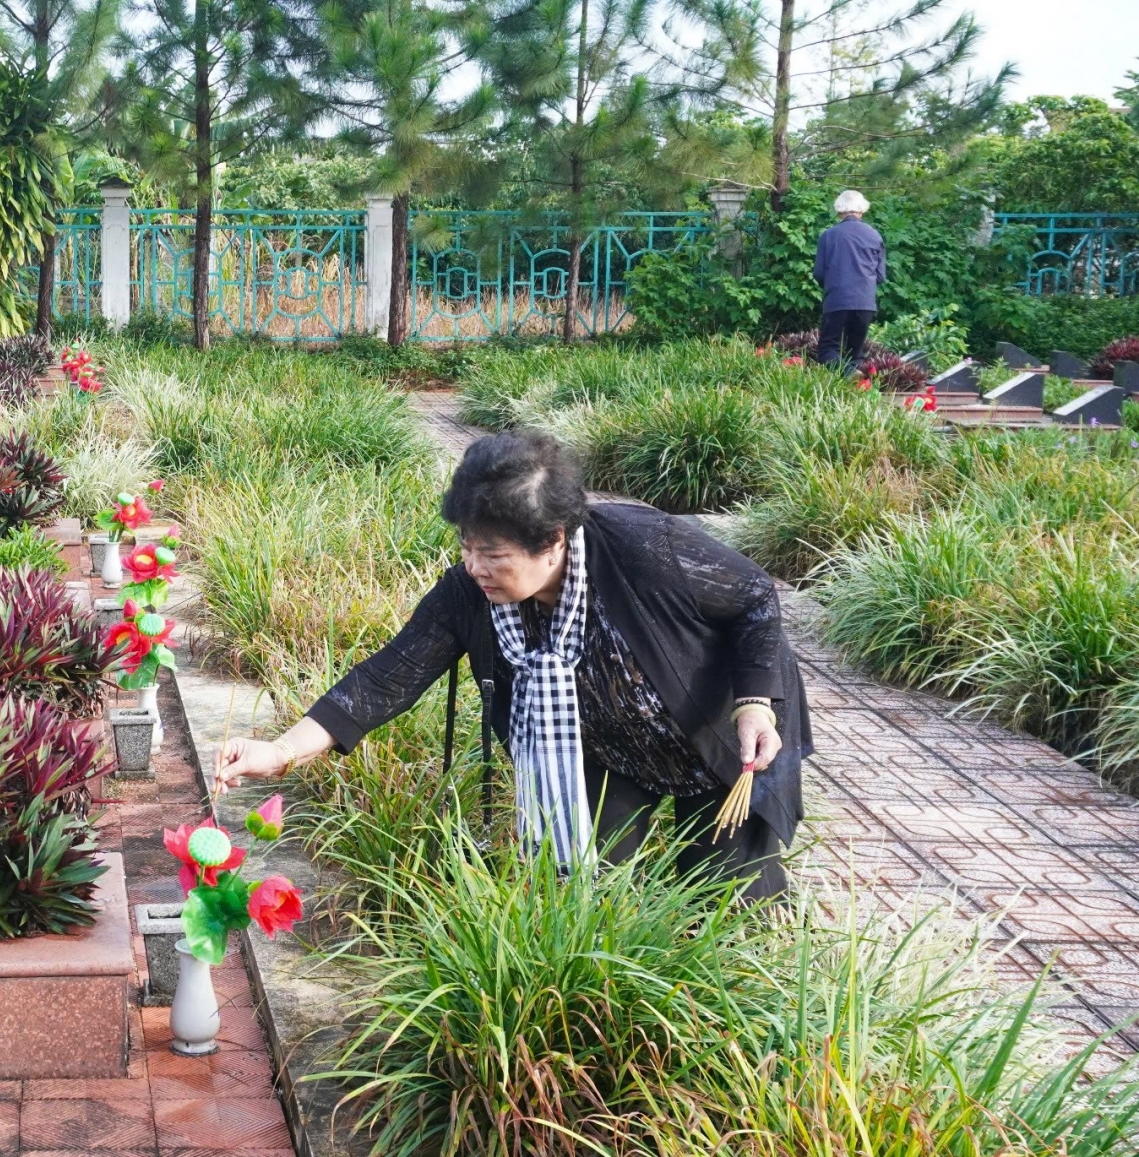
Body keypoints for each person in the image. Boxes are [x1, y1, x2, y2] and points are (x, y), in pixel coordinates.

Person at [214, 431, 810, 900]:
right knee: (581, 895)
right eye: (468, 548)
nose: (475, 567)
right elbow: (386, 676)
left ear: (552, 541)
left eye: (493, 554)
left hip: (722, 741)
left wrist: (757, 703)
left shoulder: (643, 549)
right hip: (604, 754)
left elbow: (754, 595)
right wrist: (281, 751)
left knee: (727, 902)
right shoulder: (469, 594)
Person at [811, 189, 886, 370]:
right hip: (865, 302)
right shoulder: (875, 235)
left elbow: (819, 273)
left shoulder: (828, 236)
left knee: (828, 349)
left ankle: (848, 374)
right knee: (856, 353)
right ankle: (856, 385)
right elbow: (881, 276)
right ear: (862, 210)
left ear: (839, 211)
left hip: (837, 300)